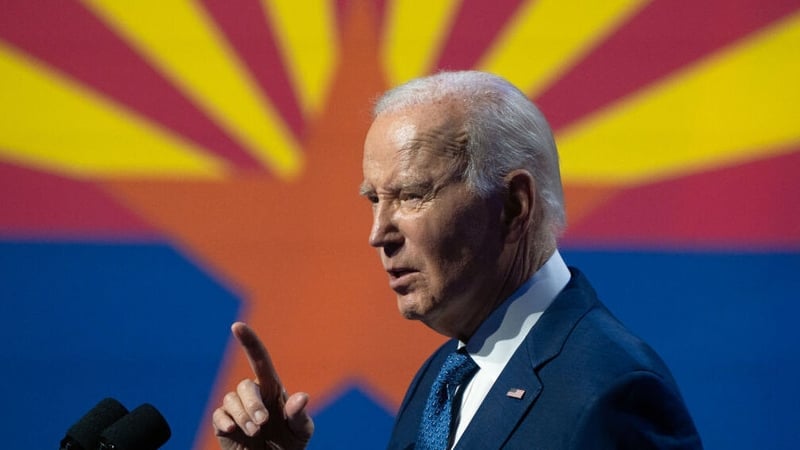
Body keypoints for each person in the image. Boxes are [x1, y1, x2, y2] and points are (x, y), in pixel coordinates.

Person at [212, 71, 702, 449]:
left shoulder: (611, 392)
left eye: (411, 195)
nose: (378, 234)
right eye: (374, 199)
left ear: (514, 205)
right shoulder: (444, 377)